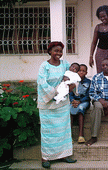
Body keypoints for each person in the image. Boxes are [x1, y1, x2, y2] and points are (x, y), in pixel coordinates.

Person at [37, 41, 77, 169]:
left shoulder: (65, 64)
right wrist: (53, 94)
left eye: (60, 51)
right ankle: (46, 157)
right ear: (50, 51)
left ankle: (64, 155)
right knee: (48, 132)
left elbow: (71, 76)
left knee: (63, 130)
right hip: (47, 103)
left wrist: (68, 87)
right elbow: (42, 82)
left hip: (62, 103)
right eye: (56, 51)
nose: (58, 53)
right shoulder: (44, 66)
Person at [70, 64, 91, 144]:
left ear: (86, 72)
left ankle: (81, 135)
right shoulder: (72, 82)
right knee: (69, 109)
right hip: (74, 102)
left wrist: (80, 101)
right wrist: (72, 101)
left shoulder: (88, 82)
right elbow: (70, 93)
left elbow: (88, 95)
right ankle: (69, 136)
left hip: (84, 102)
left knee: (81, 108)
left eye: (83, 71)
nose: (81, 72)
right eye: (79, 70)